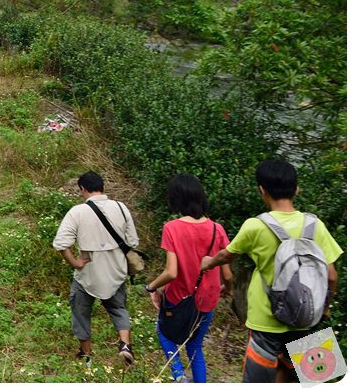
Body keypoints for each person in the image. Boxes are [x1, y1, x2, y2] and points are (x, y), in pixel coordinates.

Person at [200, 159, 342, 382]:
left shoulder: (255, 226)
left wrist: (207, 263)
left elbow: (226, 255)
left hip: (266, 322)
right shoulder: (316, 225)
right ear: (296, 189)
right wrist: (324, 309)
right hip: (309, 319)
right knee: (312, 379)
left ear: (262, 190)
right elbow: (332, 276)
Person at [144, 174, 233, 383]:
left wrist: (151, 287)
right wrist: (228, 288)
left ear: (176, 198)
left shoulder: (172, 228)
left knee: (164, 333)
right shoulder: (217, 229)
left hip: (179, 296)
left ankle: (179, 376)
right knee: (195, 347)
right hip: (207, 298)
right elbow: (228, 274)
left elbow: (171, 272)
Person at [53, 171, 139, 365]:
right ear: (103, 187)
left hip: (88, 273)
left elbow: (60, 243)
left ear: (83, 189)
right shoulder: (121, 207)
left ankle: (86, 356)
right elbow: (132, 241)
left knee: (81, 312)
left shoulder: (78, 212)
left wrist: (74, 262)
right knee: (119, 308)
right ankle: (125, 345)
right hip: (115, 270)